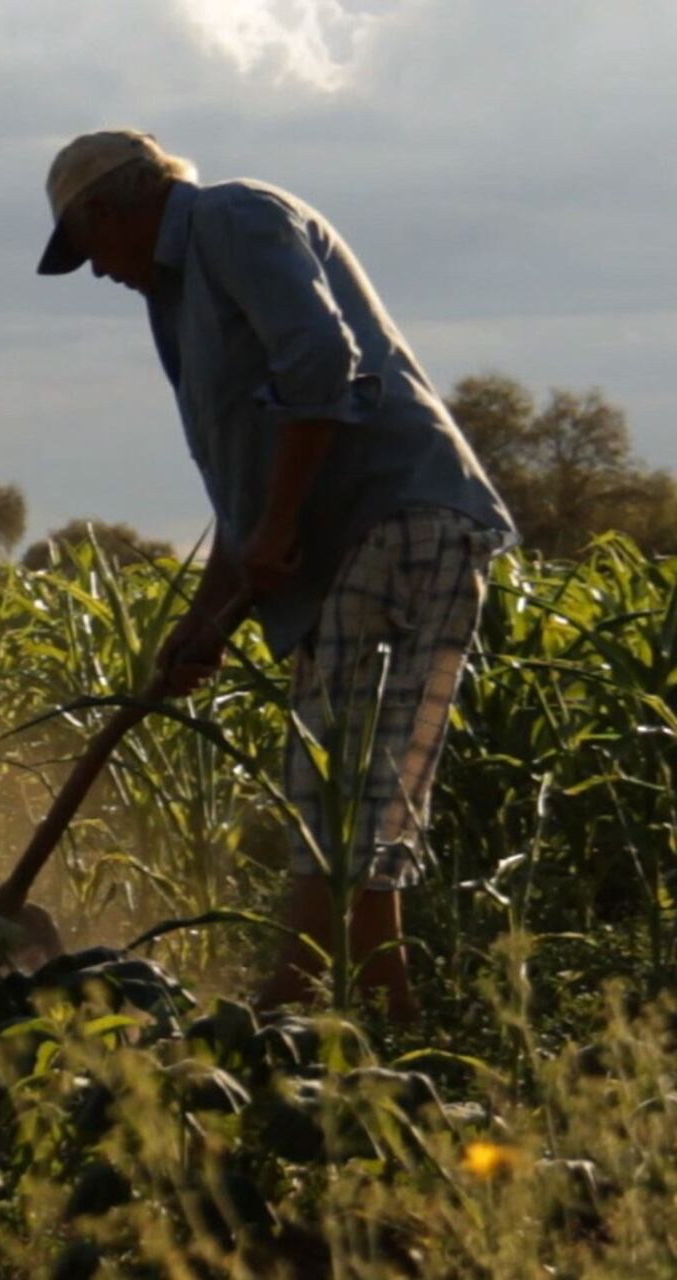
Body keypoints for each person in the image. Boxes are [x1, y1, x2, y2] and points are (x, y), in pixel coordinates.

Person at [33, 130, 514, 1021]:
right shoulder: (178, 294)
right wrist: (205, 620)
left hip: (396, 515)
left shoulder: (234, 217)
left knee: (342, 784)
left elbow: (323, 362)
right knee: (354, 787)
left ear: (112, 210)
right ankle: (386, 1016)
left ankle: (285, 1007)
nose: (97, 272)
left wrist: (283, 523)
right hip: (353, 538)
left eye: (89, 247)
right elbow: (249, 493)